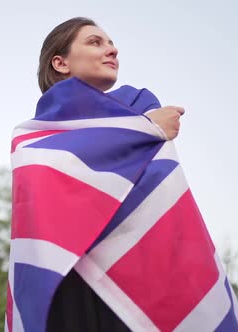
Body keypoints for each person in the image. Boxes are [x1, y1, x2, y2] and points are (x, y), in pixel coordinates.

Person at [37, 17, 184, 331]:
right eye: (95, 42)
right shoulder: (36, 138)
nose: (112, 50)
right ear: (61, 62)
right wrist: (144, 128)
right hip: (68, 272)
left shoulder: (137, 102)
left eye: (111, 43)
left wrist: (143, 128)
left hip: (133, 262)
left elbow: (151, 176)